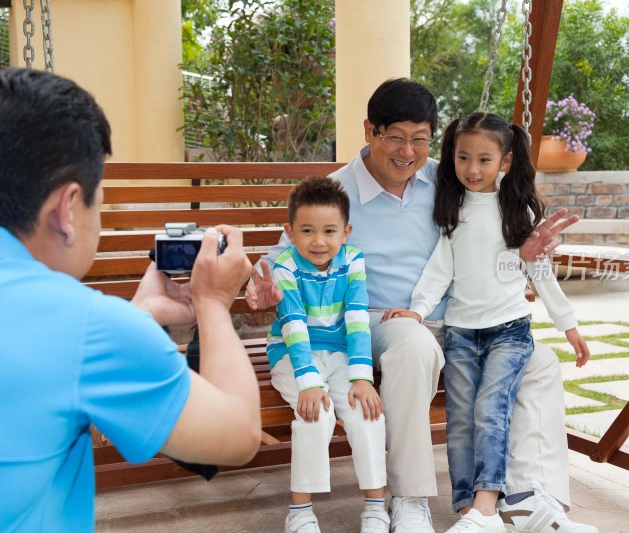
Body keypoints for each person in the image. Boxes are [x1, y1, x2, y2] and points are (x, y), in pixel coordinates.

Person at [246, 78, 598, 533]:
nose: (407, 152)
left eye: (419, 139)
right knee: (413, 345)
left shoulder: (447, 179)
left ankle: (531, 497)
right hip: (368, 322)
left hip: (455, 322)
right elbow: (285, 257)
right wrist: (266, 287)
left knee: (540, 361)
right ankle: (410, 498)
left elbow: (486, 236)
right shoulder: (335, 191)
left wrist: (523, 252)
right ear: (369, 130)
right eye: (394, 137)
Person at [0, 68, 261, 532]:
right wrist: (214, 303)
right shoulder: (83, 327)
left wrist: (139, 315)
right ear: (66, 208)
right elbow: (238, 434)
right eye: (97, 204)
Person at [382, 112, 590, 533]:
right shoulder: (454, 207)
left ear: (506, 162)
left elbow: (541, 272)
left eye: (483, 160)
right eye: (462, 158)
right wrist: (418, 312)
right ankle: (469, 512)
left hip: (509, 332)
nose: (471, 169)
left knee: (490, 410)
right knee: (460, 420)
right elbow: (440, 270)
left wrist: (568, 325)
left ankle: (488, 504)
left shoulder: (518, 211)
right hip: (460, 333)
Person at [267, 176, 389, 533]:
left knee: (366, 411)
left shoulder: (352, 262)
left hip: (339, 354)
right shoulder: (286, 266)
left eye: (329, 231)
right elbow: (293, 324)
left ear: (346, 231)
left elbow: (357, 321)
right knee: (315, 413)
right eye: (307, 231)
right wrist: (308, 384)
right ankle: (300, 512)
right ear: (290, 232)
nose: (318, 241)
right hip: (293, 355)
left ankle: (375, 507)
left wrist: (362, 378)